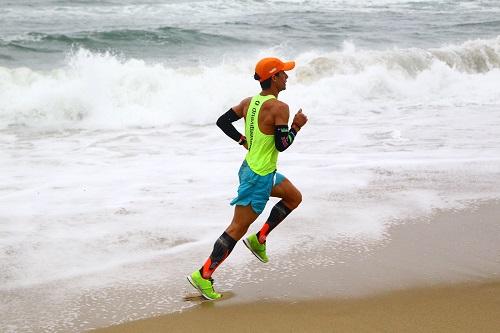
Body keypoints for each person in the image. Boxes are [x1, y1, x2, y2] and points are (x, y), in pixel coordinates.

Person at [187, 57, 308, 300]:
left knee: (294, 197)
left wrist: (243, 141)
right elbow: (282, 144)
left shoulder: (248, 103)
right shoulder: (279, 108)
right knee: (236, 228)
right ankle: (204, 275)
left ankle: (259, 238)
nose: (287, 77)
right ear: (273, 78)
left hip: (253, 169)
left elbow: (223, 122)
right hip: (259, 177)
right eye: (283, 73)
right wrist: (296, 125)